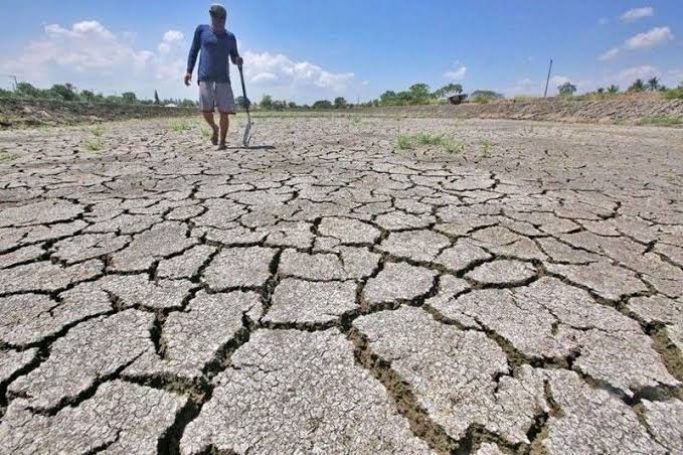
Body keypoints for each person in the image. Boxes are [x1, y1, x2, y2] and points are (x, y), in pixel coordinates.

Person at [185, 4, 243, 150]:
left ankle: (222, 142)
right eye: (212, 16)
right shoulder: (201, 30)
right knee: (206, 110)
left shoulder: (230, 37)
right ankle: (214, 128)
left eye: (216, 17)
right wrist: (189, 70)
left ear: (223, 19)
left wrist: (237, 60)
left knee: (224, 111)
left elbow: (234, 56)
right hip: (205, 76)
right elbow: (194, 50)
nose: (213, 19)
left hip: (223, 78)